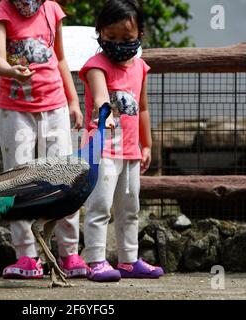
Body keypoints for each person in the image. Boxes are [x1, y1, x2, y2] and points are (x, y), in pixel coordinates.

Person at [0, 0, 89, 279]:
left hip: (54, 105)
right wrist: (11, 71)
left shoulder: (52, 10)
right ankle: (27, 256)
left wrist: (73, 101)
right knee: (18, 178)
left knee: (66, 178)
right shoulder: (0, 12)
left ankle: (69, 254)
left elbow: (60, 58)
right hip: (14, 109)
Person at [79, 0, 164, 282]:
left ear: (139, 35)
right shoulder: (95, 66)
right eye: (111, 37)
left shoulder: (140, 67)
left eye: (126, 39)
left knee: (130, 209)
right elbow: (101, 96)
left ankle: (129, 260)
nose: (118, 44)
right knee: (99, 207)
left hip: (129, 150)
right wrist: (106, 114)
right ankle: (95, 261)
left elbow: (143, 108)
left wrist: (147, 144)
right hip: (101, 150)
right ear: (100, 33)